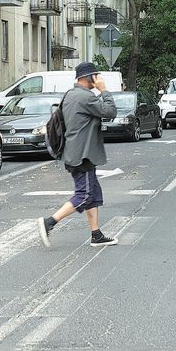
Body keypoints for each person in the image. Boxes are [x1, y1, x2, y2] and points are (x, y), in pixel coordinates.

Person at [37, 62, 119, 248]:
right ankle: (49, 222)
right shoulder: (85, 97)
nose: (97, 79)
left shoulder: (71, 95)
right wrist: (104, 90)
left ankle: (96, 234)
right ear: (87, 77)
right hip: (81, 154)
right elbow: (110, 111)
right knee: (84, 195)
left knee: (94, 194)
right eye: (95, 76)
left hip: (78, 152)